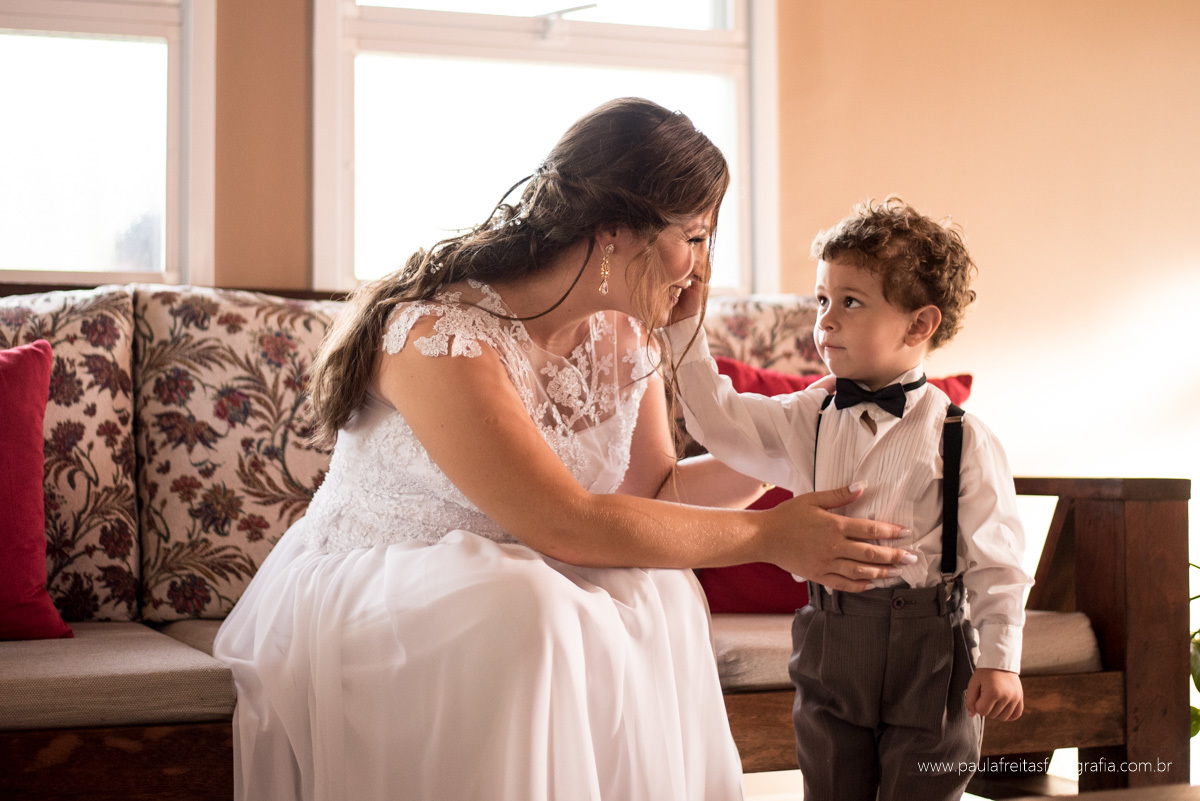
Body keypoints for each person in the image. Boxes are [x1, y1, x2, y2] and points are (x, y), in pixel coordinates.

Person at [212, 99, 912, 801]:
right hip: (382, 591)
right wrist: (770, 536)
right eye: (693, 238)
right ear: (614, 233)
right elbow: (566, 523)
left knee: (655, 588)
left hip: (526, 574)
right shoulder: (439, 336)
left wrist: (793, 439)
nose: (701, 271)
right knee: (528, 607)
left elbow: (653, 494)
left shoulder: (622, 335)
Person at [662, 198, 1032, 801]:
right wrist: (684, 326)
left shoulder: (961, 435)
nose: (826, 321)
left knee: (923, 784)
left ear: (919, 325)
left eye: (851, 302)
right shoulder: (809, 413)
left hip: (929, 648)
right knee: (830, 782)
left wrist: (1000, 659)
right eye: (822, 300)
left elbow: (999, 561)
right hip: (831, 638)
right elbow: (719, 420)